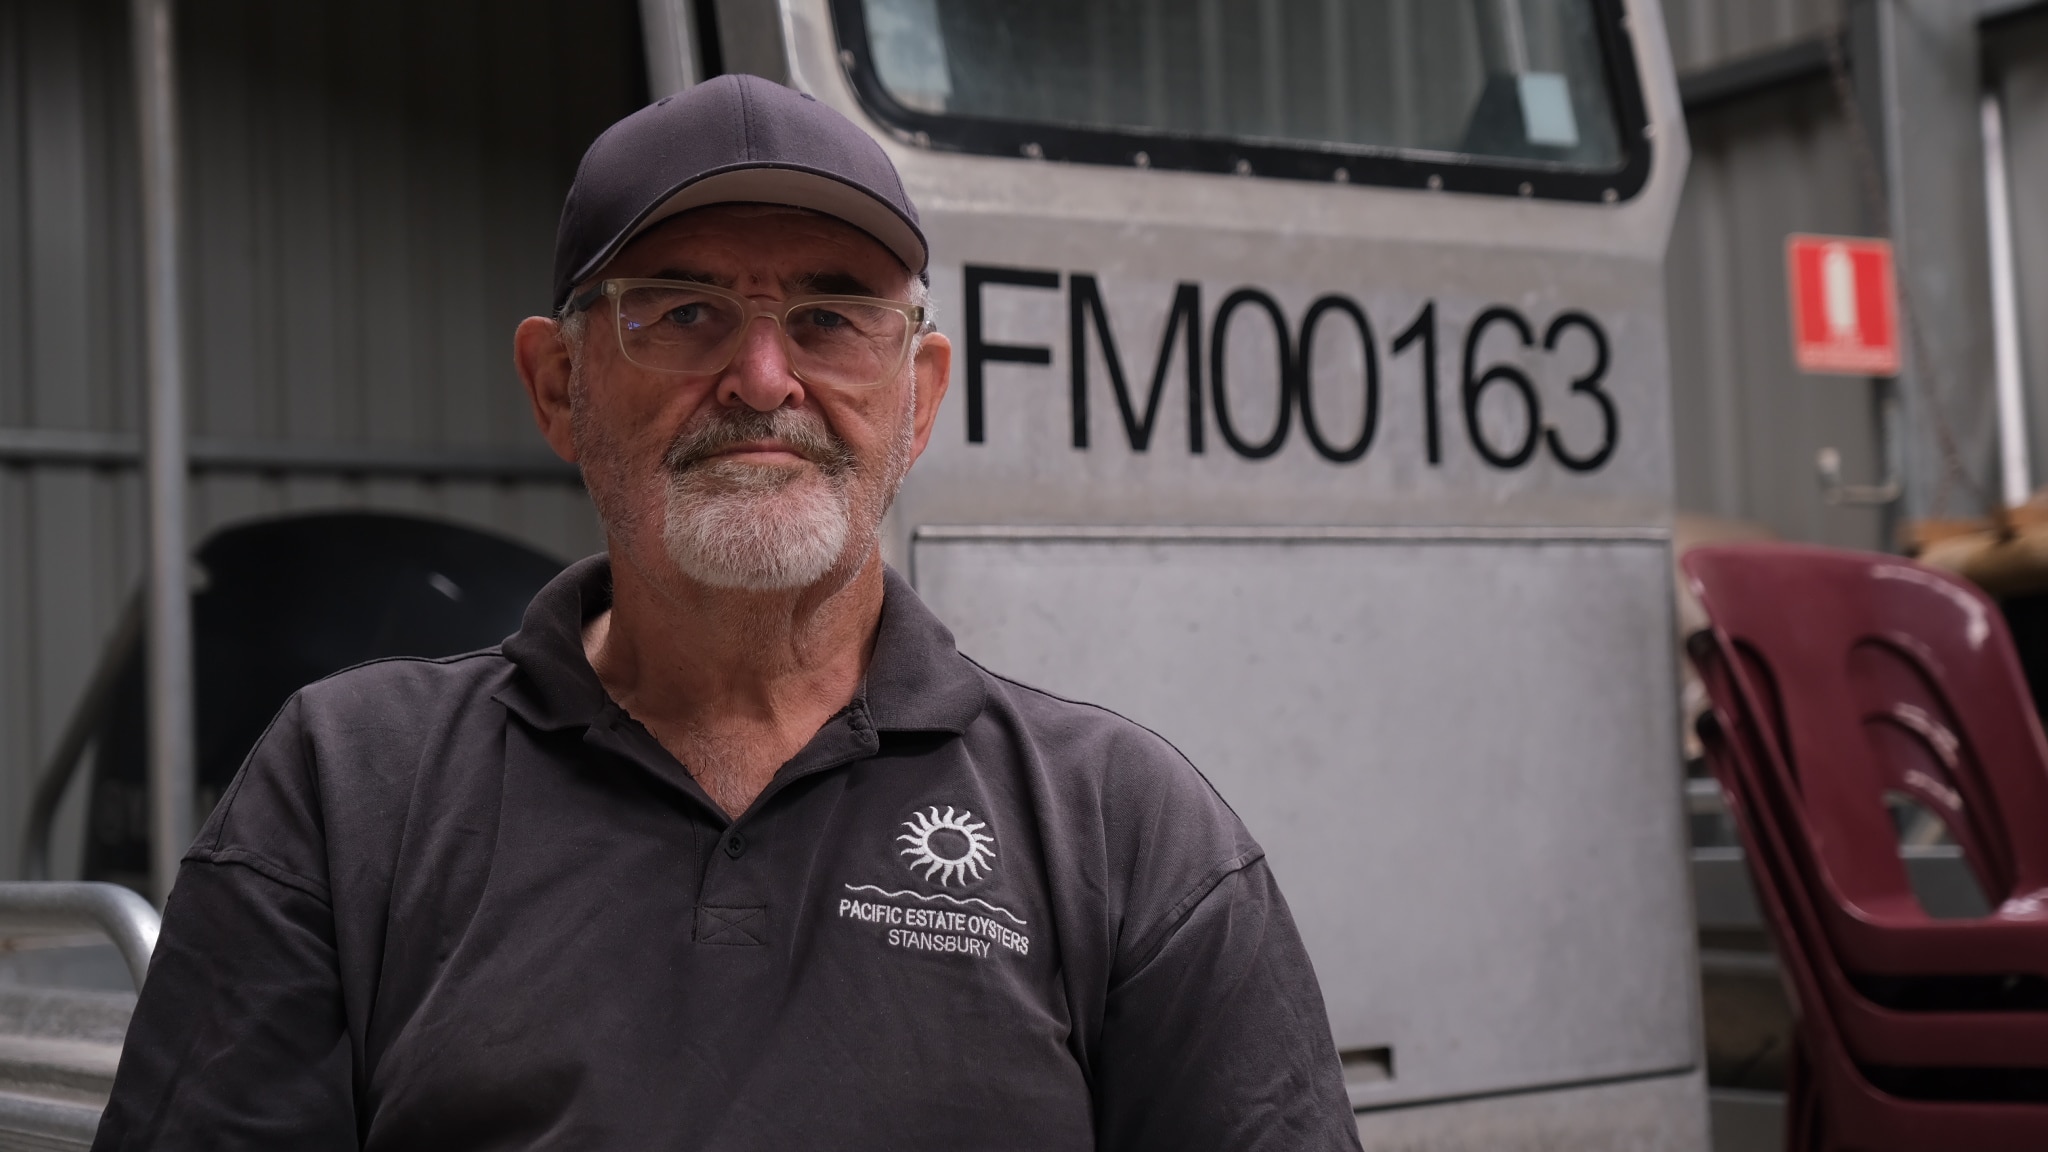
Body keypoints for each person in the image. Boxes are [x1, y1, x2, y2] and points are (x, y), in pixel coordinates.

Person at [92, 74, 1362, 1151]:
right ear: (557, 385)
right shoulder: (345, 793)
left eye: (829, 317)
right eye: (682, 312)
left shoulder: (1125, 831)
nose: (763, 380)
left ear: (917, 397)